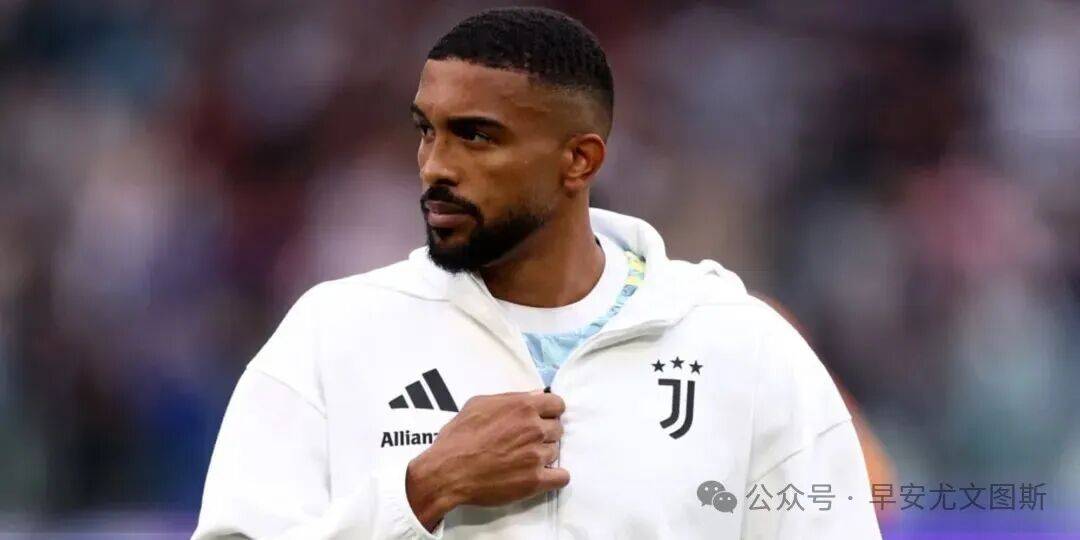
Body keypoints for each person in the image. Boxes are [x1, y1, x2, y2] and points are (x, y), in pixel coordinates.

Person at [193, 7, 882, 539]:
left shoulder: (742, 347)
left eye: (475, 136)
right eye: (426, 130)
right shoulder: (333, 333)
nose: (435, 166)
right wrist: (420, 493)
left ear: (579, 160)